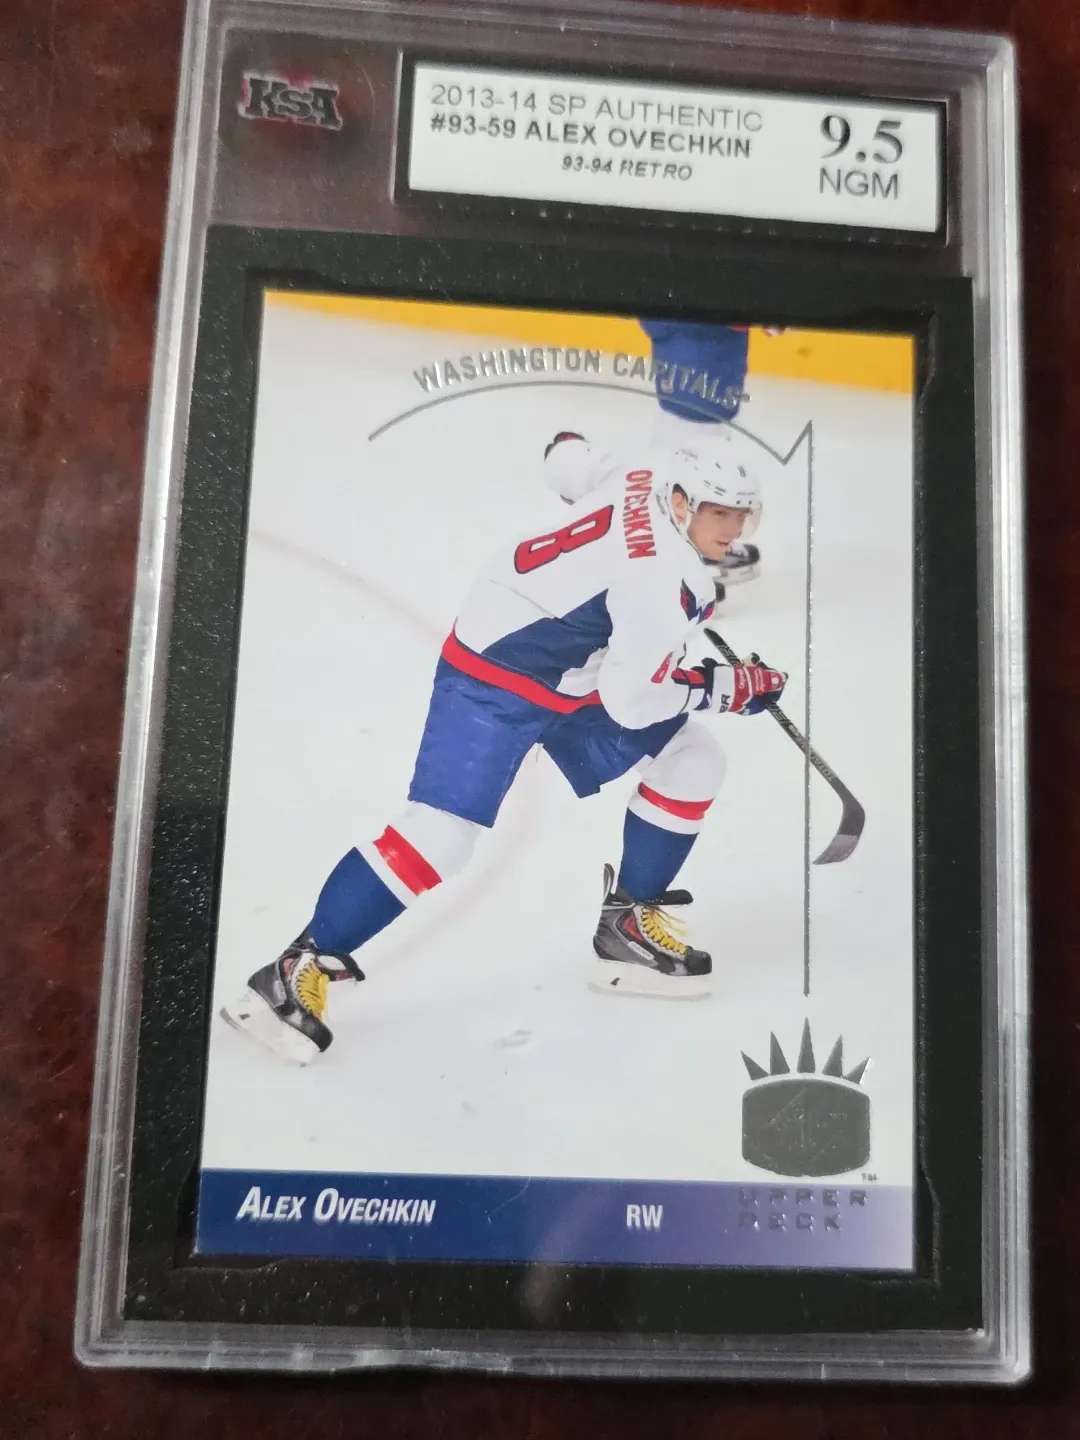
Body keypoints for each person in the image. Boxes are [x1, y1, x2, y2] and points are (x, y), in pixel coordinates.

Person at [221, 431, 787, 1065]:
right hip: (494, 676)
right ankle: (289, 973)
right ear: (680, 502)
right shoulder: (662, 579)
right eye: (719, 513)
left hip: (571, 668)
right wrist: (724, 688)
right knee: (442, 836)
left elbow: (565, 459)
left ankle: (627, 929)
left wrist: (571, 453)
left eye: (742, 514)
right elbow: (635, 702)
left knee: (694, 761)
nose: (733, 529)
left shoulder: (649, 468)